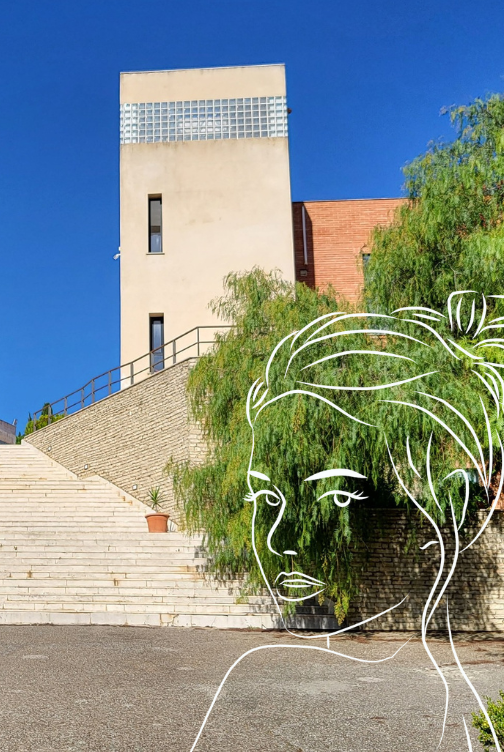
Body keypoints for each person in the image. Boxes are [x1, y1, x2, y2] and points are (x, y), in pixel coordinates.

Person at [192, 291, 504, 751]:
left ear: (450, 513)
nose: (280, 541)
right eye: (264, 495)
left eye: (338, 494)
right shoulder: (244, 677)